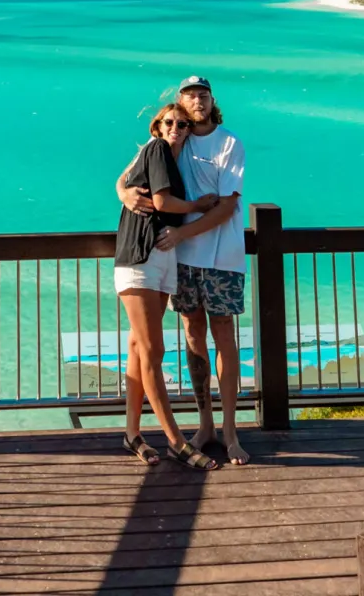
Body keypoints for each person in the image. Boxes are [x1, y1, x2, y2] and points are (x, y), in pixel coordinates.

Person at [117, 74, 249, 466]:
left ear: (212, 101)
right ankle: (204, 425)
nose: (197, 102)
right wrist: (124, 193)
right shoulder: (170, 141)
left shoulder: (229, 143)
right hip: (180, 259)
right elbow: (126, 177)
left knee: (223, 336)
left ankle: (230, 431)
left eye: (203, 95)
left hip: (221, 257)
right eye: (189, 96)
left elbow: (226, 206)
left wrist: (181, 232)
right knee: (192, 335)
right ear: (178, 103)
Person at [113, 102, 218, 470]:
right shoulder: (156, 148)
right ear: (157, 126)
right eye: (169, 122)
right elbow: (160, 200)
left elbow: (128, 182)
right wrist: (199, 206)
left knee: (138, 348)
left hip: (160, 258)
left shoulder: (174, 159)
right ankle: (176, 442)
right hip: (139, 258)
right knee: (153, 351)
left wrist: (123, 189)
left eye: (183, 124)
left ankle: (132, 434)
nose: (176, 128)